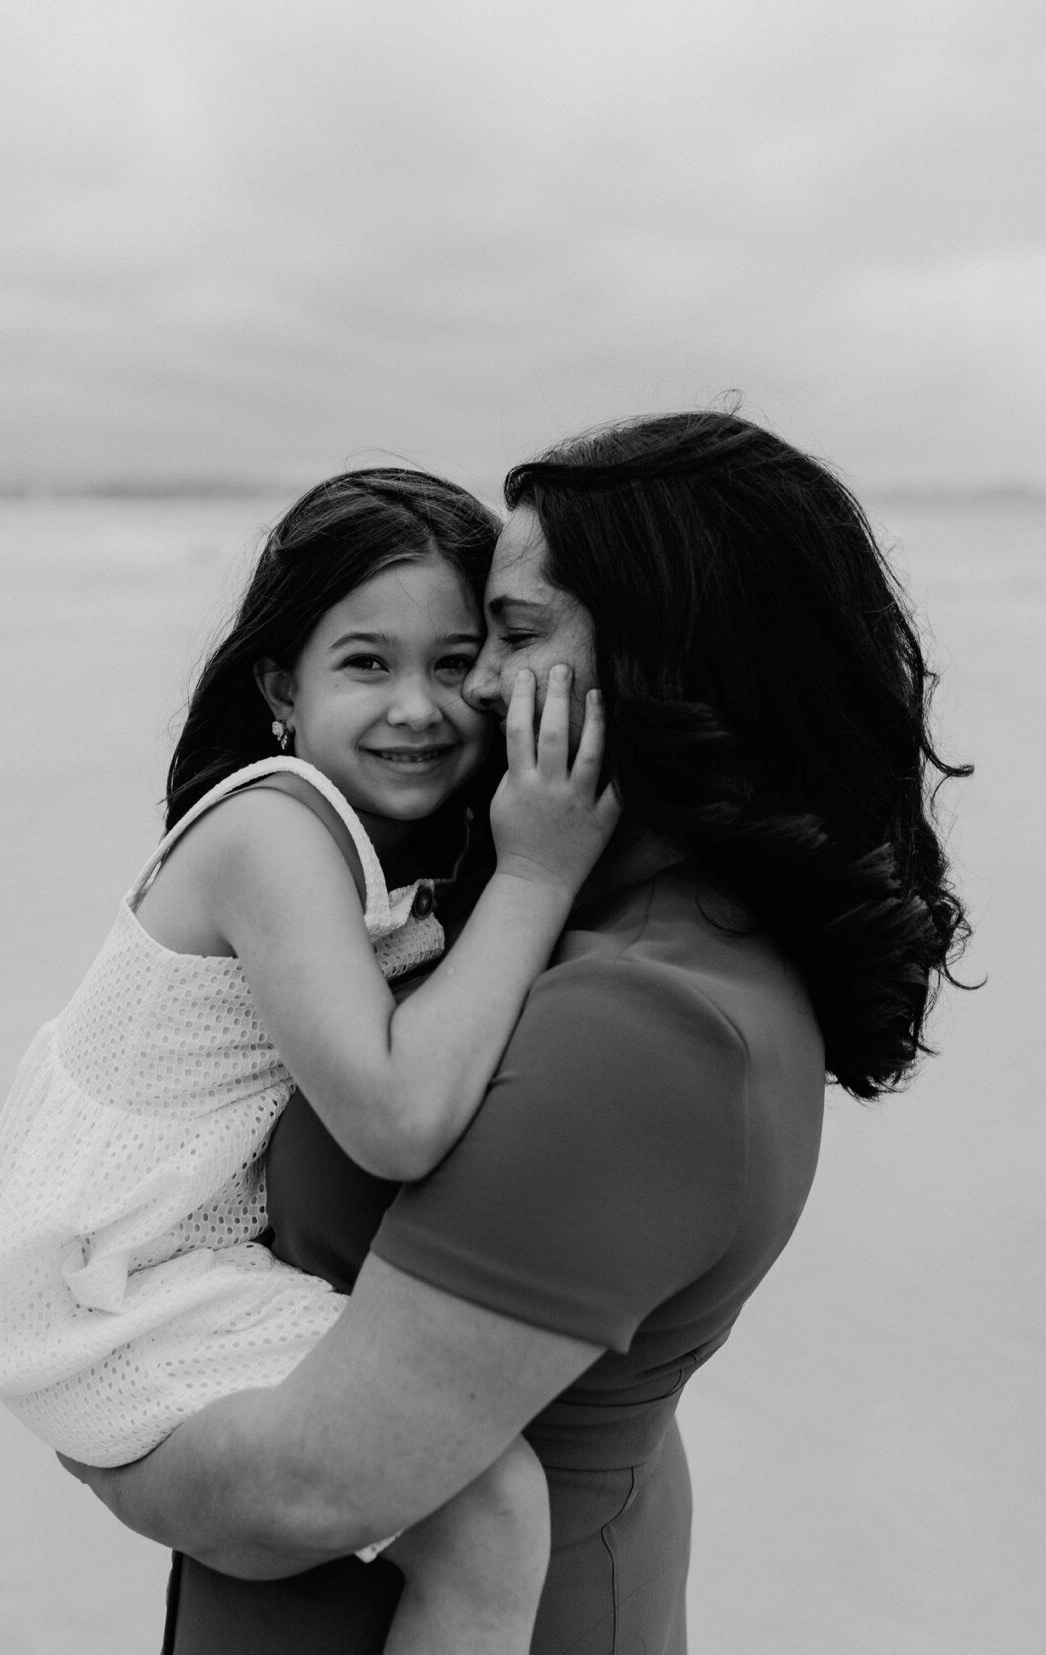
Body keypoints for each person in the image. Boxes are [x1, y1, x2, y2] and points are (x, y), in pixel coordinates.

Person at [61, 411, 973, 1653]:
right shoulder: (569, 912)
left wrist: (80, 1406)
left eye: (515, 634)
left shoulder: (642, 1027)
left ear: (669, 659)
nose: (478, 686)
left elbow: (308, 1493)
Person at [0, 467, 622, 1655]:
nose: (418, 706)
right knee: (494, 1512)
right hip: (121, 1293)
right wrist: (539, 874)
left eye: (454, 661)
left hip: (154, 1273)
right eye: (366, 663)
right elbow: (395, 1119)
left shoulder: (378, 844)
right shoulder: (274, 829)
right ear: (280, 687)